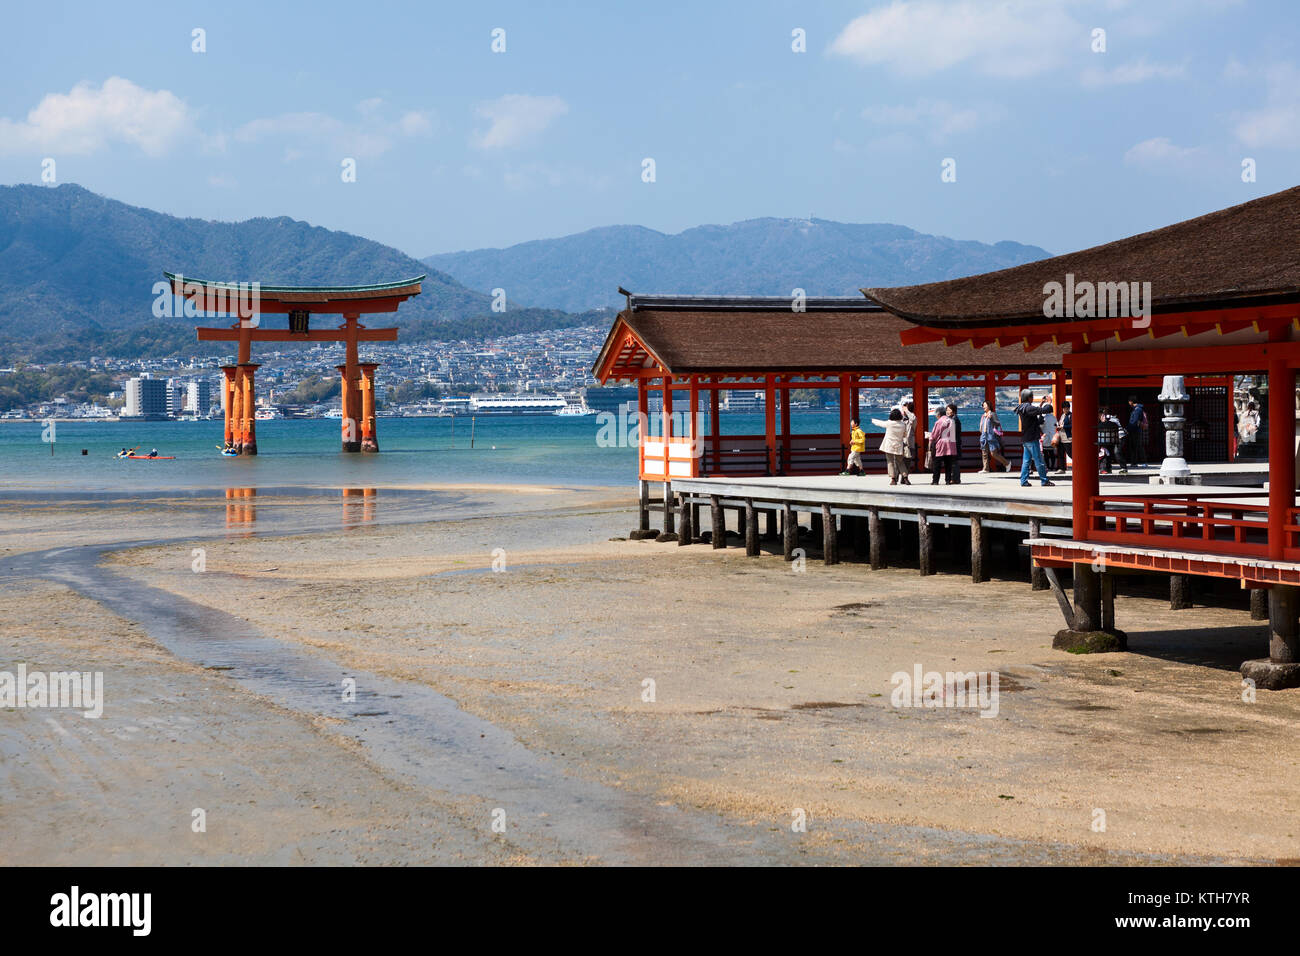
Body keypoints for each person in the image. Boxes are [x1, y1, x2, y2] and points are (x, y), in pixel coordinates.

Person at [1014, 389, 1056, 487]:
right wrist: (1049, 403)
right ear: (1029, 397)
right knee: (1039, 460)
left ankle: (1023, 481)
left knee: (1026, 461)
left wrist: (1041, 404)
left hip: (1025, 438)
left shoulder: (1022, 407)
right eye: (1032, 397)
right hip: (1032, 438)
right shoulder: (1028, 408)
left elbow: (1037, 416)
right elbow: (1045, 410)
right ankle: (1044, 480)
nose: (1033, 398)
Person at [871, 408, 910, 485]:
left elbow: (880, 423)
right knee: (900, 462)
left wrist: (873, 420)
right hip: (899, 445)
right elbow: (905, 435)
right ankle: (905, 478)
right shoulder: (903, 425)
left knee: (890, 462)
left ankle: (893, 479)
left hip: (889, 446)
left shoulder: (889, 423)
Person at [928, 405, 959, 485]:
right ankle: (948, 480)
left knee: (937, 463)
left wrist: (930, 442)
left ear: (939, 414)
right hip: (951, 443)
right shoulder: (952, 421)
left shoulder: (939, 422)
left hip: (941, 444)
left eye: (936, 415)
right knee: (948, 463)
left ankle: (935, 481)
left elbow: (934, 434)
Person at [979, 400, 1010, 472]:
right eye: (983, 405)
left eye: (985, 405)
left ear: (989, 406)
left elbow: (998, 423)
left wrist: (991, 418)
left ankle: (1007, 463)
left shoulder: (992, 414)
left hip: (991, 437)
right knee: (984, 453)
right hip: (984, 436)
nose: (983, 406)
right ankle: (985, 469)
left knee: (994, 453)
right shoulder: (983, 415)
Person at [1127, 396, 1147, 468]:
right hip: (1135, 430)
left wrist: (1128, 429)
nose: (1129, 403)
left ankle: (1142, 461)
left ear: (1131, 401)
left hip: (1135, 430)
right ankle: (1134, 462)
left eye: (1129, 401)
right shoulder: (1137, 409)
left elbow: (1134, 421)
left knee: (1137, 446)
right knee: (1135, 446)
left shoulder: (1137, 410)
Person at [1041, 399, 1058, 471]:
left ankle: (1047, 466)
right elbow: (1056, 426)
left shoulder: (1044, 418)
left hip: (1045, 437)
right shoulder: (1054, 418)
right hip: (1052, 437)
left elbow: (1040, 426)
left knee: (1046, 454)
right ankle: (1052, 466)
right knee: (1052, 453)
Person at [1056, 401, 1072, 473]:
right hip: (1061, 437)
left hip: (1068, 438)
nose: (1065, 410)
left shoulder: (1071, 415)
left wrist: (1064, 426)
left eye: (1067, 408)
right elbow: (1060, 424)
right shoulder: (1062, 415)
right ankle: (1062, 468)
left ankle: (1078, 465)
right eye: (1064, 408)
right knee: (1061, 453)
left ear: (1069, 408)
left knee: (1070, 453)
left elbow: (1072, 425)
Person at [900, 400, 917, 468]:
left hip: (909, 444)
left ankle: (904, 477)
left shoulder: (913, 419)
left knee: (907, 462)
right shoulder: (901, 419)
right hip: (900, 443)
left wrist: (906, 411)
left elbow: (912, 418)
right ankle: (896, 477)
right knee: (899, 462)